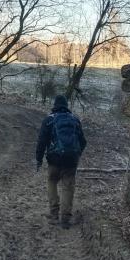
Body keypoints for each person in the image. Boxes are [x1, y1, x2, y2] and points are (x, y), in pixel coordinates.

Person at [35, 94, 87, 229]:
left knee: (52, 181)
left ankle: (53, 214)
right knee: (68, 187)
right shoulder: (75, 120)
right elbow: (83, 142)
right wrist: (77, 154)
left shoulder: (48, 120)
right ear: (66, 106)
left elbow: (41, 142)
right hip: (71, 160)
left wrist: (39, 159)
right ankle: (65, 219)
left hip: (54, 159)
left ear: (54, 105)